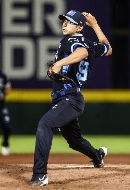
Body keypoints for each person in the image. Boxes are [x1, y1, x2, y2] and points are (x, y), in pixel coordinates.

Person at [29, 10, 112, 186]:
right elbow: (108, 48)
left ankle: (40, 174)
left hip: (70, 98)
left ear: (80, 27)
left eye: (70, 22)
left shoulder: (74, 41)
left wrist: (58, 63)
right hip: (69, 98)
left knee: (45, 124)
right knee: (74, 141)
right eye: (64, 21)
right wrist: (95, 25)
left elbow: (81, 53)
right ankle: (98, 156)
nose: (65, 24)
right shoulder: (89, 43)